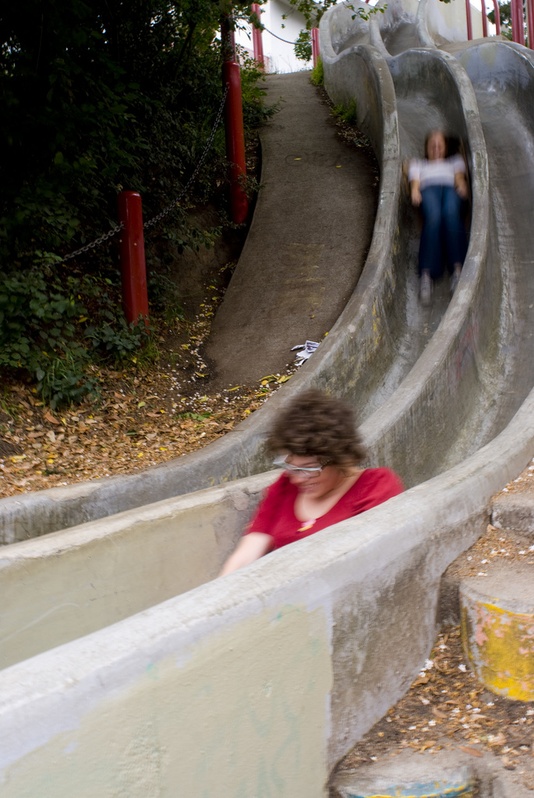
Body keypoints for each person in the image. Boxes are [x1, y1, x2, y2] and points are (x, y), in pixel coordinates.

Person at [219, 389, 403, 575]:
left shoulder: (375, 486)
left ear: (341, 459)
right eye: (291, 467)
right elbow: (247, 554)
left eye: (309, 469)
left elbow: (375, 560)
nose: (298, 478)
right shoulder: (284, 487)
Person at [408, 129, 469, 306]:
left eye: (439, 145)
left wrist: (462, 185)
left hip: (450, 189)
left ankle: (457, 269)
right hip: (429, 189)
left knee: (450, 213)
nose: (436, 148)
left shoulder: (454, 161)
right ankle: (426, 273)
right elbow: (415, 182)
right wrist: (414, 191)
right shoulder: (419, 163)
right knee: (434, 217)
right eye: (432, 145)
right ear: (426, 148)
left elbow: (458, 177)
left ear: (445, 146)